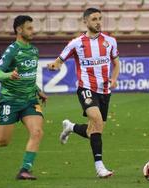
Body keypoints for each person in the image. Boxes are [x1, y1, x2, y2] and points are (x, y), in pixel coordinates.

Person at [47, 8, 120, 178]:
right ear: (85, 22)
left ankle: (70, 127)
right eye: (94, 19)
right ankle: (100, 167)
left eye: (100, 18)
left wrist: (114, 79)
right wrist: (53, 66)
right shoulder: (76, 43)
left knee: (93, 130)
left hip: (104, 91)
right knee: (96, 120)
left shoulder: (110, 41)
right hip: (86, 89)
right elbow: (58, 61)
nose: (98, 22)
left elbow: (116, 64)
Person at [0, 15, 47, 180]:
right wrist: (9, 75)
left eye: (32, 27)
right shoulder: (12, 50)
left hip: (29, 100)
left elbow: (29, 75)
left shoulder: (34, 50)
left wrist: (38, 90)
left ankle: (24, 169)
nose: (32, 31)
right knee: (2, 141)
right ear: (19, 30)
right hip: (10, 101)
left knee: (37, 132)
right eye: (29, 28)